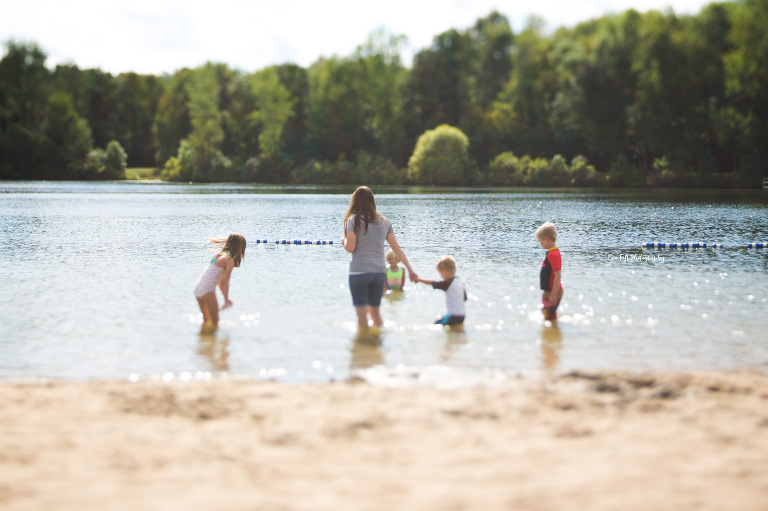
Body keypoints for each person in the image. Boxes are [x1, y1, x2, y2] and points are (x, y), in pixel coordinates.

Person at [342, 186, 417, 329]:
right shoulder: (385, 221)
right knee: (375, 313)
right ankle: (377, 345)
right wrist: (411, 270)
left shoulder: (353, 220)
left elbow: (350, 248)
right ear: (372, 201)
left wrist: (344, 240)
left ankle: (365, 346)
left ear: (355, 201)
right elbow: (397, 249)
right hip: (379, 274)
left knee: (362, 315)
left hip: (359, 272)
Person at [193, 233, 246, 331]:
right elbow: (225, 282)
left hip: (198, 288)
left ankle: (204, 343)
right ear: (240, 248)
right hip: (207, 289)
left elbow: (220, 282)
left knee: (206, 320)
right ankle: (211, 343)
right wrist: (226, 299)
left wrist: (226, 299)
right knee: (215, 323)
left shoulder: (218, 256)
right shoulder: (230, 259)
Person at [414, 255, 467, 326]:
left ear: (444, 271)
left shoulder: (448, 283)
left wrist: (418, 279)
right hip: (462, 316)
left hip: (453, 315)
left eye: (440, 273)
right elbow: (465, 298)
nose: (441, 276)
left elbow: (433, 283)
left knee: (436, 324)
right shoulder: (460, 282)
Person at [535, 221, 563, 322]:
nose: (539, 243)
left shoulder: (553, 254)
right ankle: (551, 334)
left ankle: (554, 333)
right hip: (549, 291)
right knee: (546, 314)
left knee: (549, 316)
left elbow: (557, 275)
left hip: (553, 291)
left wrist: (553, 294)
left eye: (539, 240)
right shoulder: (551, 253)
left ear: (546, 239)